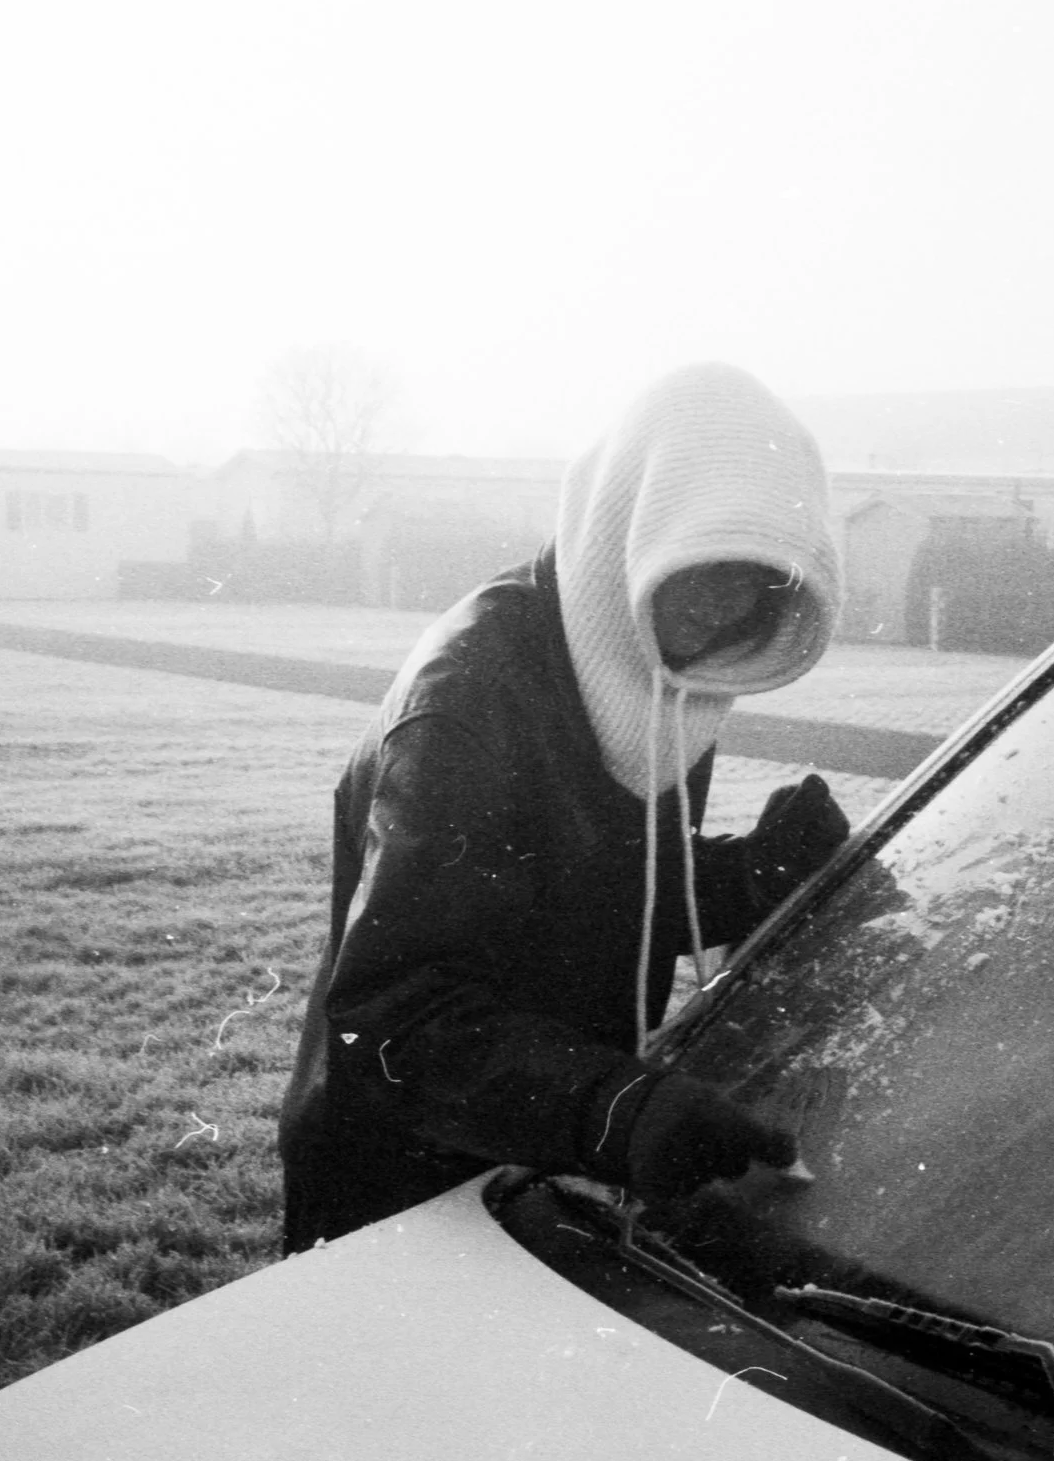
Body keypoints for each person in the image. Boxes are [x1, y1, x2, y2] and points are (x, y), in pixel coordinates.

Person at [278, 363, 853, 1252]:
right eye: (705, 559)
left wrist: (751, 873)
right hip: (398, 1174)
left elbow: (595, 883)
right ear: (634, 523)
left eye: (757, 576)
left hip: (546, 1150)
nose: (724, 601)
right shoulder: (469, 699)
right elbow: (394, 1014)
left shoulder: (657, 662)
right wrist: (617, 1109)